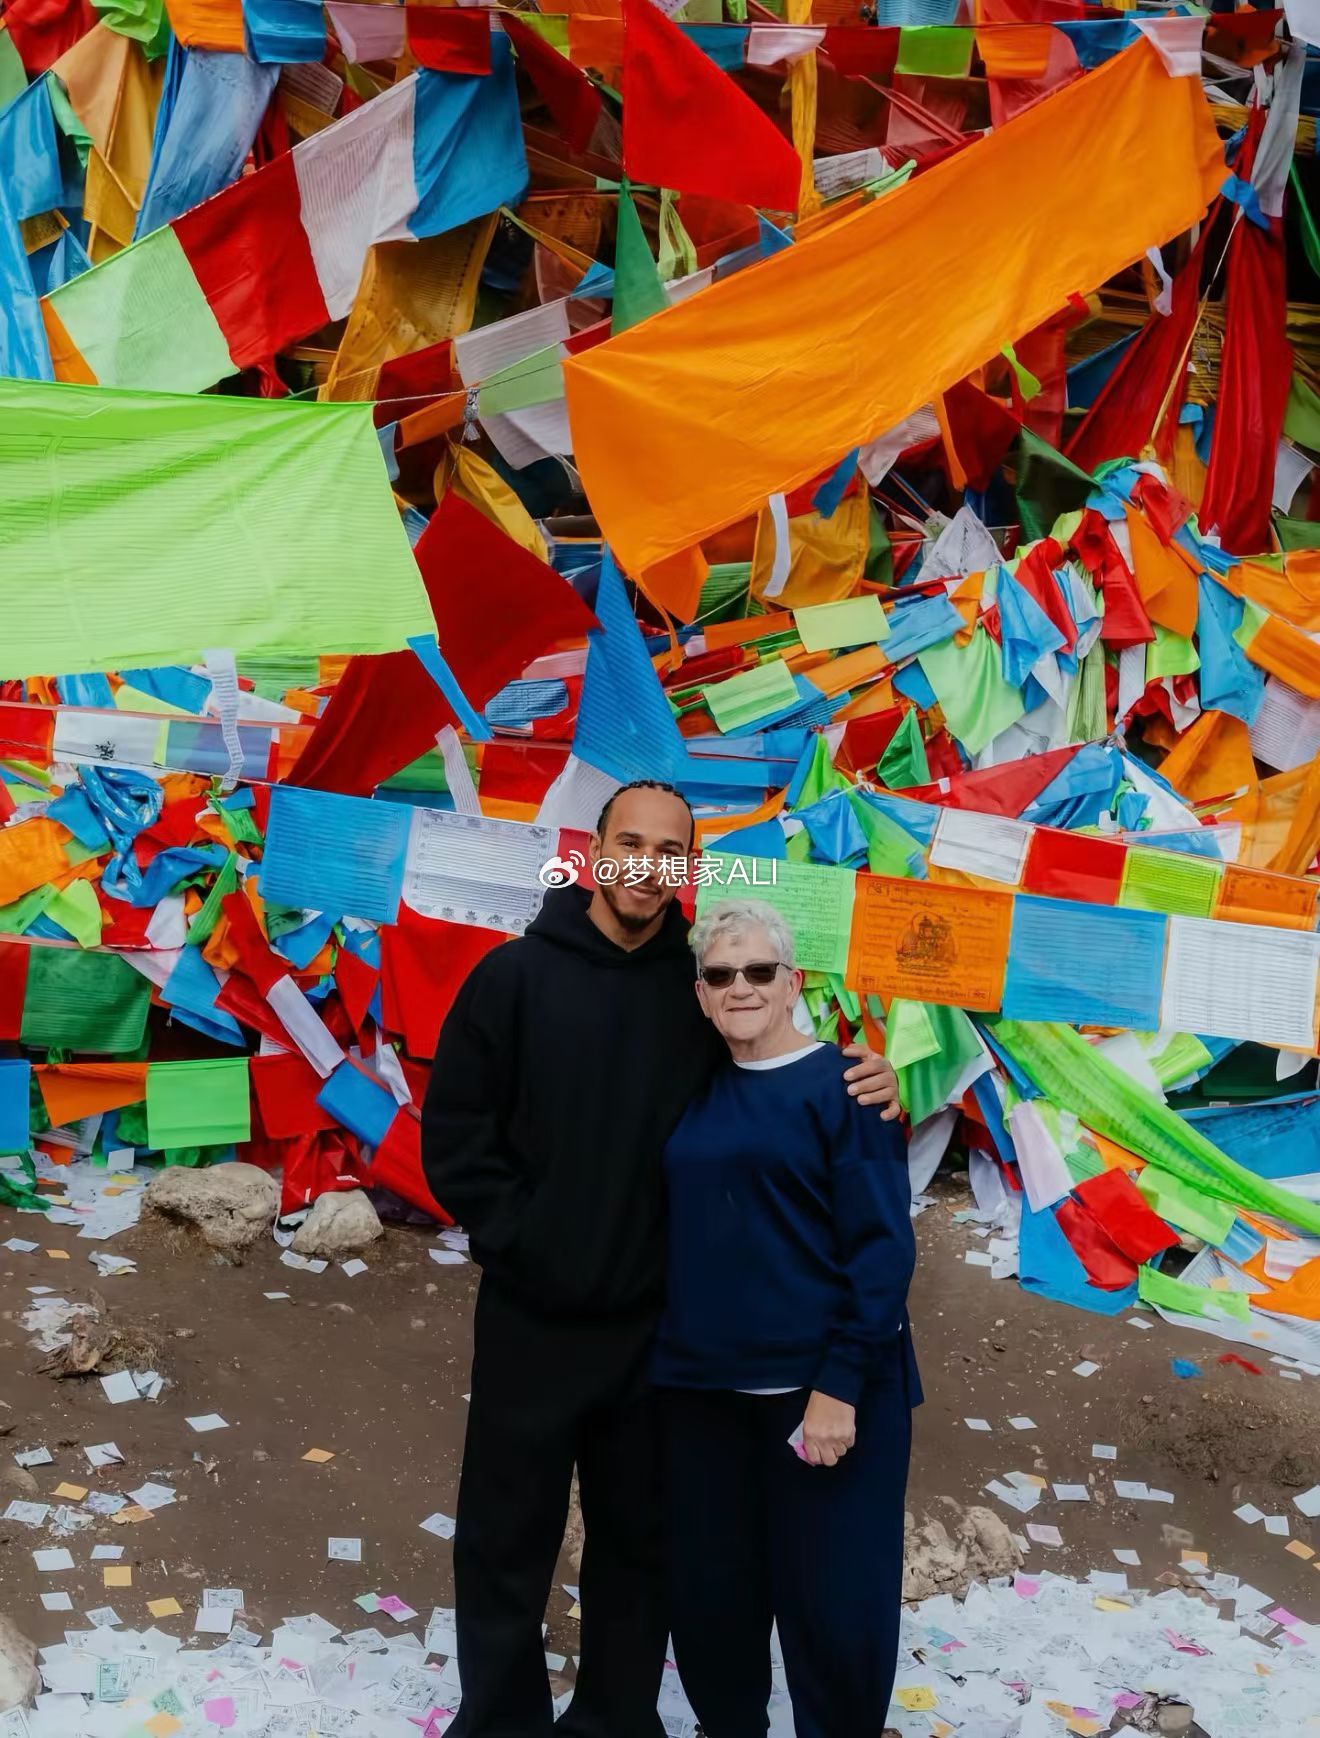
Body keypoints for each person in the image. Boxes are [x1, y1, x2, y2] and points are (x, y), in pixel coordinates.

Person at [421, 780, 900, 1738]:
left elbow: (776, 1074)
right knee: (506, 1537)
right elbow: (459, 1140)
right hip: (533, 1315)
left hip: (656, 1333)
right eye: (628, 842)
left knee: (639, 1541)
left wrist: (874, 1077)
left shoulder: (700, 995)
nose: (646, 864)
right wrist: (528, 1242)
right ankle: (503, 1720)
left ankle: (614, 1716)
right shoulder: (510, 980)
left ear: (688, 867)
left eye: (668, 850)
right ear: (593, 853)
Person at [654, 897, 921, 1738]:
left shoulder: (846, 1087)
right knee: (712, 1603)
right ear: (700, 994)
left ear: (792, 981)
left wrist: (840, 1386)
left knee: (836, 1610)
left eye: (759, 971)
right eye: (721, 974)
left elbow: (881, 1252)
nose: (740, 987)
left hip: (825, 1398)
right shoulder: (689, 1084)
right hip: (702, 1394)